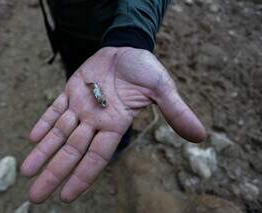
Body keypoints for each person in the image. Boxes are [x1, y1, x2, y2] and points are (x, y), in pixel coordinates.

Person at [21, 0, 207, 204]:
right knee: (75, 73)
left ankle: (118, 146)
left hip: (116, 22)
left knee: (114, 115)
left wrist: (132, 34)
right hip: (67, 25)